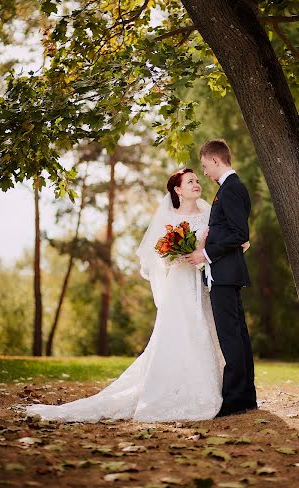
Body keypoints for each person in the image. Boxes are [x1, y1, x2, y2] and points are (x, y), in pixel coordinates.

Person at [24, 169, 225, 423]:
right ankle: (169, 392)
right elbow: (158, 256)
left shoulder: (208, 213)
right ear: (177, 189)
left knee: (203, 331)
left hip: (201, 283)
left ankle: (207, 388)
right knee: (177, 334)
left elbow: (217, 244)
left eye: (197, 180)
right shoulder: (170, 218)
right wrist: (176, 255)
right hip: (178, 285)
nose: (197, 184)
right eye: (190, 182)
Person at [185, 139, 258, 417]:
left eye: (205, 166)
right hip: (226, 273)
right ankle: (245, 397)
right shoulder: (229, 188)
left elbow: (240, 234)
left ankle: (236, 399)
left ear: (216, 160)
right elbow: (234, 232)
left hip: (225, 274)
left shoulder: (230, 189)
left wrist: (205, 254)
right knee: (237, 336)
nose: (204, 172)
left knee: (231, 337)